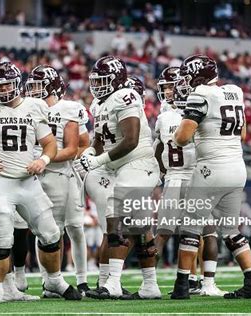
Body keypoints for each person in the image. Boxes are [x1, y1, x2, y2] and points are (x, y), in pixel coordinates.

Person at [0, 61, 81, 303]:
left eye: (7, 85)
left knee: (50, 233)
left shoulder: (34, 106)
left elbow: (49, 143)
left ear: (17, 84)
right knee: (0, 239)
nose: (3, 90)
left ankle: (55, 280)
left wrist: (44, 159)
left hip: (28, 182)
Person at [171, 54, 251, 299]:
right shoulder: (235, 92)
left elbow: (182, 138)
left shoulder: (201, 94)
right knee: (230, 228)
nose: (184, 80)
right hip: (237, 167)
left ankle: (182, 286)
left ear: (198, 75)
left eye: (187, 75)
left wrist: (181, 132)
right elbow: (243, 134)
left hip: (211, 169)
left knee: (191, 226)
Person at [81, 56, 161, 300]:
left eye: (103, 80)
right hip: (121, 167)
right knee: (140, 226)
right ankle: (150, 286)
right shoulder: (99, 104)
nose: (98, 85)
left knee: (119, 213)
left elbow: (131, 140)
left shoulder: (127, 96)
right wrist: (90, 151)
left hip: (139, 163)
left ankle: (112, 283)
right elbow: (99, 139)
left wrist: (99, 160)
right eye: (95, 80)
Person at [153, 66, 226, 296]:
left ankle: (150, 283)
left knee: (163, 233)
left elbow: (158, 151)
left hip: (173, 178)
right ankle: (206, 283)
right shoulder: (198, 114)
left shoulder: (163, 118)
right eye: (164, 88)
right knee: (206, 231)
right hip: (196, 177)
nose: (166, 92)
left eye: (169, 87)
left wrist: (163, 173)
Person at [25, 65, 89, 295]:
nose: (32, 90)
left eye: (37, 85)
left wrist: (44, 159)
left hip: (61, 173)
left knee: (75, 227)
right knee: (45, 230)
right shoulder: (26, 108)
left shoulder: (68, 109)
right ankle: (49, 281)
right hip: (33, 174)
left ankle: (81, 279)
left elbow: (78, 146)